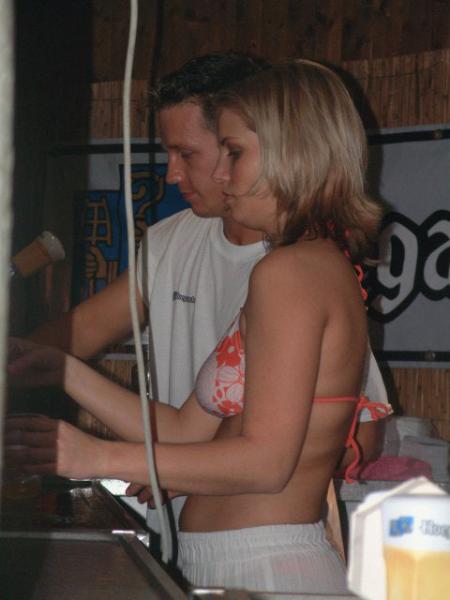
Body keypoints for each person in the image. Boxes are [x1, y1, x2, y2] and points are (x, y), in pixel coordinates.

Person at [7, 59, 391, 594]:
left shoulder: (291, 272)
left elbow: (267, 463)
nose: (222, 175)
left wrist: (95, 456)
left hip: (268, 566)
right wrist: (63, 369)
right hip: (238, 562)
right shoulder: (300, 264)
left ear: (290, 152)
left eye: (234, 153)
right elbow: (184, 431)